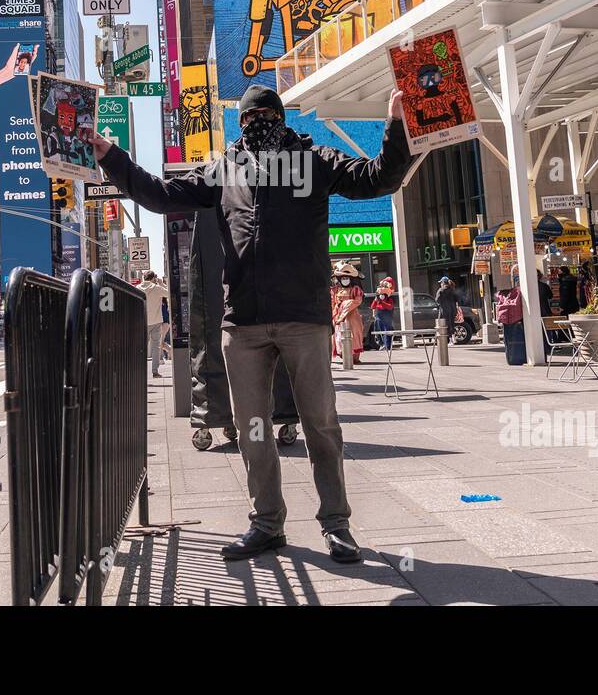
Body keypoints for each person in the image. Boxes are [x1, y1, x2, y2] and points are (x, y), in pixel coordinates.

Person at [79, 83, 410, 564]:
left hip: (303, 316)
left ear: (281, 119)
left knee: (321, 425)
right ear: (242, 126)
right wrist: (111, 156)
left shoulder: (314, 159)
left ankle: (337, 525)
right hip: (244, 323)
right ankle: (266, 523)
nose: (257, 126)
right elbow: (158, 194)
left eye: (264, 118)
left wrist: (396, 125)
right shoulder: (224, 168)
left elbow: (378, 178)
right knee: (250, 426)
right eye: (249, 120)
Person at [330, 262, 365, 364]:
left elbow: (358, 300)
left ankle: (354, 357)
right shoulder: (335, 290)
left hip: (352, 316)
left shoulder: (355, 289)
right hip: (338, 317)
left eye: (347, 277)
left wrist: (346, 305)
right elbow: (332, 302)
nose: (345, 280)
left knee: (354, 335)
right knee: (339, 336)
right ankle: (343, 355)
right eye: (343, 277)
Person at [138, 271, 170, 376]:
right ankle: (155, 371)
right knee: (156, 347)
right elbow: (168, 293)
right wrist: (161, 283)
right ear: (153, 278)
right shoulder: (157, 288)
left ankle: (140, 371)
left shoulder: (138, 288)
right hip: (156, 321)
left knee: (142, 347)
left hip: (143, 321)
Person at [370, 277, 396, 351]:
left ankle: (387, 345)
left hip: (386, 317)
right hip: (378, 317)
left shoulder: (390, 299)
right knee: (378, 331)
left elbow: (389, 307)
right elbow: (372, 306)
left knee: (387, 331)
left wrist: (382, 302)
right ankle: (381, 344)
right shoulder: (378, 298)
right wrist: (376, 301)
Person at [435, 277, 459, 343]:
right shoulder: (452, 290)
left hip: (444, 310)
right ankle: (453, 338)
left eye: (441, 282)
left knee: (446, 325)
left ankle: (450, 340)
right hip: (453, 310)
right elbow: (457, 299)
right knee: (452, 324)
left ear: (443, 283)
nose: (440, 284)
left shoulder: (440, 290)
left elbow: (437, 300)